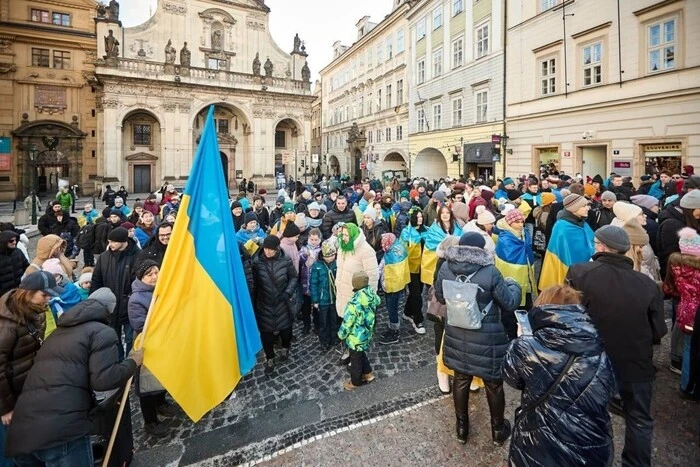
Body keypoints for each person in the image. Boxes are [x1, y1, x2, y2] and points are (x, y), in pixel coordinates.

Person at [5, 288, 143, 467]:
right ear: (110, 310)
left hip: (23, 432)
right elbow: (104, 380)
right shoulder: (102, 332)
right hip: (62, 431)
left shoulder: (57, 333)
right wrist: (133, 362)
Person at [566, 225, 667, 466]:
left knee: (587, 415)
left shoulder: (579, 272)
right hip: (635, 361)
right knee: (639, 420)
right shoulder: (646, 283)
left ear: (600, 246)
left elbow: (569, 316)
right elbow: (658, 331)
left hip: (591, 360)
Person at [502, 285, 615, 466]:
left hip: (540, 442)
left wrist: (520, 340)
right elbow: (608, 390)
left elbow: (511, 378)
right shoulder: (597, 346)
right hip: (590, 441)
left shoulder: (526, 347)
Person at [434, 232, 521, 445]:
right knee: (493, 384)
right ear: (482, 250)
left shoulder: (445, 267)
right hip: (487, 337)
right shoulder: (490, 271)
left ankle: (461, 429)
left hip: (457, 332)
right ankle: (498, 431)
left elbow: (438, 296)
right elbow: (509, 303)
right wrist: (514, 286)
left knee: (461, 379)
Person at [0, 271, 61, 465]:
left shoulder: (37, 311)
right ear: (28, 293)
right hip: (9, 397)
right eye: (44, 295)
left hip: (27, 390)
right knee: (12, 451)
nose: (48, 299)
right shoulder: (6, 325)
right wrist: (6, 409)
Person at [128, 260, 178, 438]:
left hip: (164, 343)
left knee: (162, 376)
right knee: (147, 385)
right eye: (149, 274)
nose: (154, 277)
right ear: (141, 277)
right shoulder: (136, 299)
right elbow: (139, 324)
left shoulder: (161, 289)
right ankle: (150, 421)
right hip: (147, 347)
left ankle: (161, 402)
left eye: (156, 272)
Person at [90, 227, 141, 360]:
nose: (110, 245)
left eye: (113, 242)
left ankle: (131, 365)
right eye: (109, 241)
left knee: (131, 338)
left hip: (130, 306)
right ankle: (118, 363)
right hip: (110, 307)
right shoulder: (104, 257)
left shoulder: (138, 256)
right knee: (113, 338)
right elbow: (97, 280)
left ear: (124, 241)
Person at [251, 235, 297, 375]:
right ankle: (270, 358)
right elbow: (253, 283)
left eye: (271, 249)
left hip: (282, 301)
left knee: (286, 330)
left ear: (277, 249)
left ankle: (285, 347)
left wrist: (287, 293)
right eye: (266, 248)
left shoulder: (285, 260)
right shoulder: (257, 262)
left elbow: (293, 277)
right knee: (266, 334)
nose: (268, 252)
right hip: (264, 303)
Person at [663, 228, 700, 399]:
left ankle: (686, 386)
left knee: (688, 348)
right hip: (697, 313)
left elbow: (669, 289)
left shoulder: (675, 264)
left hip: (685, 311)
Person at [494, 208, 536, 338]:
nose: (520, 225)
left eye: (522, 222)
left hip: (526, 278)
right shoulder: (505, 239)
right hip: (512, 280)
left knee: (526, 308)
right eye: (517, 222)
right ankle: (511, 336)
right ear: (509, 223)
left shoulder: (524, 234)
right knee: (510, 311)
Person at [539, 194, 595, 291]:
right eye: (584, 206)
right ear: (574, 208)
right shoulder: (562, 227)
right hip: (572, 272)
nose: (588, 208)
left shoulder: (583, 223)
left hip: (586, 270)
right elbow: (561, 254)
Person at [338, 270, 379, 391]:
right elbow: (378, 301)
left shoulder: (354, 303)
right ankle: (368, 374)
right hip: (367, 332)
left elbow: (347, 322)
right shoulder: (371, 294)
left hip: (356, 336)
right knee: (360, 353)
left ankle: (355, 382)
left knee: (355, 359)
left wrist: (341, 334)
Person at [335, 223, 379, 331]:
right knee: (346, 322)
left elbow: (372, 276)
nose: (343, 238)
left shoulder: (366, 251)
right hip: (342, 291)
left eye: (346, 235)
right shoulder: (342, 247)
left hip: (357, 296)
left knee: (357, 328)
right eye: (343, 234)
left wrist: (369, 298)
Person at [377, 233, 410, 346]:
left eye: (384, 242)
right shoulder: (398, 249)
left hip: (391, 286)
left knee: (392, 309)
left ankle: (394, 331)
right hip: (398, 286)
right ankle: (392, 326)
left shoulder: (390, 255)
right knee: (392, 307)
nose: (382, 244)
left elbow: (380, 269)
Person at [400, 207, 427, 334]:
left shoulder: (427, 230)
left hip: (424, 266)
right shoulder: (406, 232)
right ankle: (418, 319)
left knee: (418, 291)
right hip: (411, 268)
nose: (420, 219)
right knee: (416, 293)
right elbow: (402, 250)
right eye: (417, 217)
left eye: (421, 216)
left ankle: (407, 311)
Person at [310, 240, 338, 351]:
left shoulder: (336, 264)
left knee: (334, 321)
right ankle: (324, 342)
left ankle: (334, 338)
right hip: (323, 300)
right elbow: (313, 283)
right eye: (329, 256)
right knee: (323, 323)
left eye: (333, 255)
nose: (331, 258)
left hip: (334, 298)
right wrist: (315, 300)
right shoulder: (317, 266)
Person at [299, 228, 322, 335]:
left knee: (316, 307)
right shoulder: (304, 249)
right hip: (305, 283)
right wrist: (305, 255)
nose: (313, 242)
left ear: (319, 240)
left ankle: (317, 325)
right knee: (306, 307)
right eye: (312, 239)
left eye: (316, 240)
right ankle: (306, 325)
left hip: (317, 283)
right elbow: (299, 260)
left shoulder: (321, 250)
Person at [0, 231, 29, 297]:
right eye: (11, 241)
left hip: (19, 291)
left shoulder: (18, 252)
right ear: (4, 242)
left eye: (15, 240)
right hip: (4, 294)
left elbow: (27, 267)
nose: (14, 242)